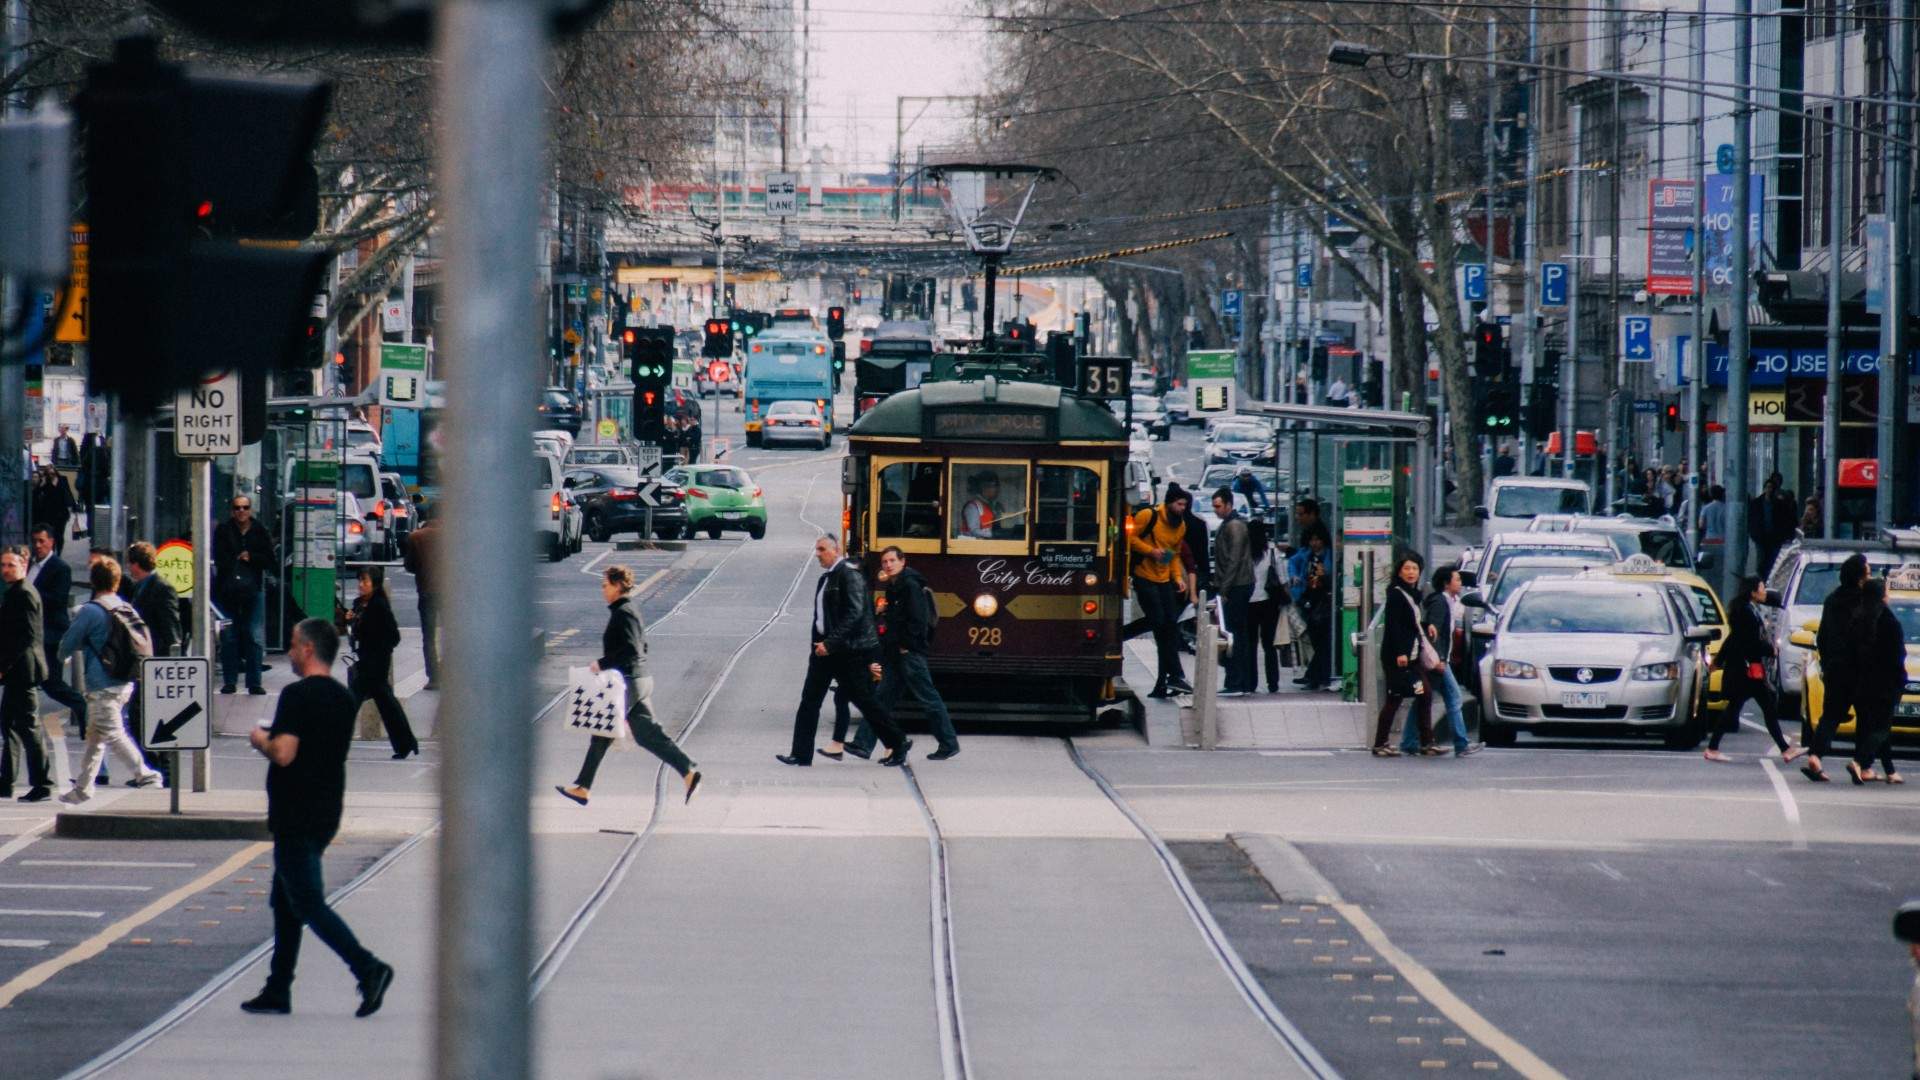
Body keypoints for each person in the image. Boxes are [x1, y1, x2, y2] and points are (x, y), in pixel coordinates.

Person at [240, 618, 395, 1018]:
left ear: (308, 649)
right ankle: (278, 988)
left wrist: (261, 740)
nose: (289, 652)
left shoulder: (296, 695)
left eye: (293, 645)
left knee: (307, 902)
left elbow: (284, 753)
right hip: (327, 809)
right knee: (285, 901)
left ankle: (367, 967)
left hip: (295, 812)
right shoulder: (344, 698)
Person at [556, 565, 702, 804]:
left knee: (601, 733)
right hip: (638, 680)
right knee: (648, 735)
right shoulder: (628, 609)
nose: (603, 590)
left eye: (605, 585)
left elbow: (632, 650)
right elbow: (642, 647)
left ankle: (583, 787)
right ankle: (689, 772)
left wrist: (601, 663)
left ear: (618, 585)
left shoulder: (623, 612)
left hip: (630, 682)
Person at [777, 535, 910, 767]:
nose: (817, 554)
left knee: (864, 700)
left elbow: (855, 614)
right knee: (809, 700)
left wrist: (831, 643)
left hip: (846, 651)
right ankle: (801, 754)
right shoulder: (826, 578)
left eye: (821, 549)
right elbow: (823, 617)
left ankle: (897, 744)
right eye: (816, 549)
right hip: (823, 650)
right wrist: (820, 644)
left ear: (836, 550)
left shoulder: (849, 576)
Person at [55, 558, 161, 803]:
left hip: (102, 683)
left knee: (113, 733)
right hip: (125, 680)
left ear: (93, 582)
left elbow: (67, 645)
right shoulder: (124, 607)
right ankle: (83, 788)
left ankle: (145, 774)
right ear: (117, 582)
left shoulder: (91, 611)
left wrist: (65, 654)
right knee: (96, 737)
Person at [840, 547, 959, 761]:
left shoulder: (910, 586)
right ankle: (862, 744)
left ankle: (949, 743)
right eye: (885, 561)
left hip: (909, 653)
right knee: (881, 700)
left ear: (902, 562)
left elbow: (918, 620)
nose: (888, 565)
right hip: (897, 653)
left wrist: (906, 645)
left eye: (892, 560)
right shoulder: (895, 587)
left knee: (928, 698)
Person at [1703, 576, 1797, 763]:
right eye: (1762, 588)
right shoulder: (1745, 613)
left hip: (1746, 669)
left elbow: (1733, 639)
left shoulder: (1746, 610)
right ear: (1753, 592)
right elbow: (1749, 643)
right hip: (1746, 670)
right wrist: (1771, 650)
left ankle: (1713, 748)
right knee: (1760, 708)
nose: (1765, 591)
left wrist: (1718, 660)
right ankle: (1785, 749)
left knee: (1741, 708)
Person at [1803, 553, 1869, 782]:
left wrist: (1827, 662)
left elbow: (1822, 635)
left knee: (1830, 716)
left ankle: (1816, 755)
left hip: (1834, 668)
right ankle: (1860, 763)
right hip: (1859, 669)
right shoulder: (1864, 601)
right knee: (1866, 716)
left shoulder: (1832, 600)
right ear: (1860, 577)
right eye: (1867, 573)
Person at [1128, 485, 1193, 698]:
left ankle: (1165, 681)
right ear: (1169, 502)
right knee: (1159, 623)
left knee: (1168, 628)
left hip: (1164, 579)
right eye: (1179, 504)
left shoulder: (1180, 526)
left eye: (1185, 505)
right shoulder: (1149, 516)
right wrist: (1151, 551)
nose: (1182, 508)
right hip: (1144, 576)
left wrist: (1177, 579)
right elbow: (1131, 538)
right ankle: (1174, 675)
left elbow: (1173, 555)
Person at [346, 568, 418, 761]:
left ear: (375, 584)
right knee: (387, 704)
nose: (361, 585)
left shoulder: (378, 606)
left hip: (375, 663)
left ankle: (336, 743)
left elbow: (394, 636)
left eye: (365, 581)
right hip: (366, 662)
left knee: (351, 702)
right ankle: (406, 742)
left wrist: (377, 646)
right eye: (360, 580)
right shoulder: (360, 604)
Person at [126, 542, 182, 781]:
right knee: (139, 715)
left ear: (136, 565)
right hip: (145, 663)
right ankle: (152, 767)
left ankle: (162, 769)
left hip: (157, 662)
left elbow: (171, 628)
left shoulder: (161, 588)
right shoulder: (141, 587)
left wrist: (170, 662)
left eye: (130, 564)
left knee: (156, 715)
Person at [0, 548, 51, 802]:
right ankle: (6, 782)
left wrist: (4, 665)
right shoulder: (15, 593)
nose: (6, 569)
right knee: (8, 725)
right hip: (16, 672)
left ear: (23, 565)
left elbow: (26, 638)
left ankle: (43, 784)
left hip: (23, 670)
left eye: (11, 564)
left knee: (29, 728)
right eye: (3, 565)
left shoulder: (25, 594)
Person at [27, 524, 87, 736]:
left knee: (52, 683)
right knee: (25, 680)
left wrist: (31, 593)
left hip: (51, 635)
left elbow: (58, 599)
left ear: (52, 541)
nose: (38, 545)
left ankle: (81, 706)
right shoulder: (29, 566)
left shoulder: (60, 568)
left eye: (42, 541)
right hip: (31, 634)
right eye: (35, 541)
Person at [1844, 577, 1904, 785]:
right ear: (1882, 595)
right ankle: (1860, 761)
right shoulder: (1889, 622)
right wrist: (1900, 680)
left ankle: (1889, 771)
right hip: (1885, 683)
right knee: (1882, 727)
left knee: (1868, 725)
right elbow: (1897, 656)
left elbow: (1850, 652)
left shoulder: (1857, 618)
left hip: (1861, 681)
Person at [1415, 565, 1481, 757]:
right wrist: (1441, 659)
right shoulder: (1439, 602)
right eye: (1457, 579)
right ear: (1446, 583)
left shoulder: (1449, 602)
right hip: (1438, 661)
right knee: (1454, 698)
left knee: (1423, 699)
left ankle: (1409, 741)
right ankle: (1461, 744)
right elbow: (1433, 632)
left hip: (1439, 660)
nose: (1460, 583)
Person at [1372, 553, 1434, 757]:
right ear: (1399, 571)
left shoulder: (1413, 594)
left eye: (1415, 569)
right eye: (1407, 568)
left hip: (1412, 655)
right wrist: (1400, 652)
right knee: (1395, 698)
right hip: (1397, 657)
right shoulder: (1397, 594)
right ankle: (1380, 743)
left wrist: (1427, 626)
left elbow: (1411, 623)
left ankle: (1426, 742)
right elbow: (1394, 626)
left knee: (1424, 694)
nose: (1411, 573)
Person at [213, 492, 274, 695]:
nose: (241, 511)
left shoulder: (259, 530)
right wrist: (234, 559)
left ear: (250, 510)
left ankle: (254, 682)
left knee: (254, 635)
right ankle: (230, 681)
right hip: (228, 591)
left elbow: (269, 559)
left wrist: (251, 557)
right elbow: (218, 557)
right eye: (237, 508)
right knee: (229, 636)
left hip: (252, 589)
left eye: (245, 508)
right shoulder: (224, 530)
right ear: (232, 510)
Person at [1211, 487, 1256, 697]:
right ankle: (1240, 680)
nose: (1216, 510)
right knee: (1236, 633)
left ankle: (1237, 680)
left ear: (1229, 504)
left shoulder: (1235, 526)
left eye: (1218, 506)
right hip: (1236, 584)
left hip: (1237, 585)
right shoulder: (1229, 524)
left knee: (1234, 634)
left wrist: (1223, 590)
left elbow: (1234, 559)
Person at [1246, 520, 1289, 694]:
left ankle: (1251, 682)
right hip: (1269, 603)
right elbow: (1283, 578)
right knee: (1269, 645)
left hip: (1249, 603)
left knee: (1250, 645)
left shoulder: (1245, 553)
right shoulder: (1272, 552)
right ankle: (1273, 683)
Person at [1289, 526, 1334, 689]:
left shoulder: (1329, 556)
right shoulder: (1308, 557)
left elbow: (1331, 579)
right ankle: (1317, 675)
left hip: (1325, 601)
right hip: (1310, 600)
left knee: (1323, 642)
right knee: (1316, 640)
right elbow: (1293, 562)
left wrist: (1326, 575)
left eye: (1318, 539)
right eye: (1312, 540)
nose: (1315, 543)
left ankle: (1315, 675)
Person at [401, 511, 439, 690]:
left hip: (427, 591)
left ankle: (434, 677)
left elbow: (409, 565)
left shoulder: (416, 537)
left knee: (429, 636)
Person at [1749, 472, 1796, 576]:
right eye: (1767, 487)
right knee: (1761, 561)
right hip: (1761, 537)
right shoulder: (1756, 504)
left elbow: (1785, 520)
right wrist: (1754, 534)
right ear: (1764, 488)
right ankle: (1761, 578)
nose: (1769, 490)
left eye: (1771, 487)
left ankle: (1769, 578)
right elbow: (1751, 520)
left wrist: (1784, 535)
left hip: (1775, 538)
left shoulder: (1780, 504)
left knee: (1772, 560)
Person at [30, 468, 77, 558]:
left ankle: (58, 552)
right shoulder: (46, 483)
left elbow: (67, 493)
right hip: (49, 512)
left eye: (53, 473)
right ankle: (52, 551)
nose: (51, 475)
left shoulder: (62, 480)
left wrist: (73, 506)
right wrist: (42, 484)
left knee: (60, 534)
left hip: (61, 513)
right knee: (51, 533)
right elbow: (38, 493)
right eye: (49, 474)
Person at [960, 471, 1004, 539]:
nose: (996, 489)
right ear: (983, 488)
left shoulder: (993, 506)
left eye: (997, 486)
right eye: (993, 486)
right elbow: (974, 531)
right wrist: (993, 534)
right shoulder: (973, 507)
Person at [1699, 485, 1726, 555]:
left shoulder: (1706, 508)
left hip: (1709, 539)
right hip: (1723, 539)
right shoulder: (1726, 508)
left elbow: (1701, 525)